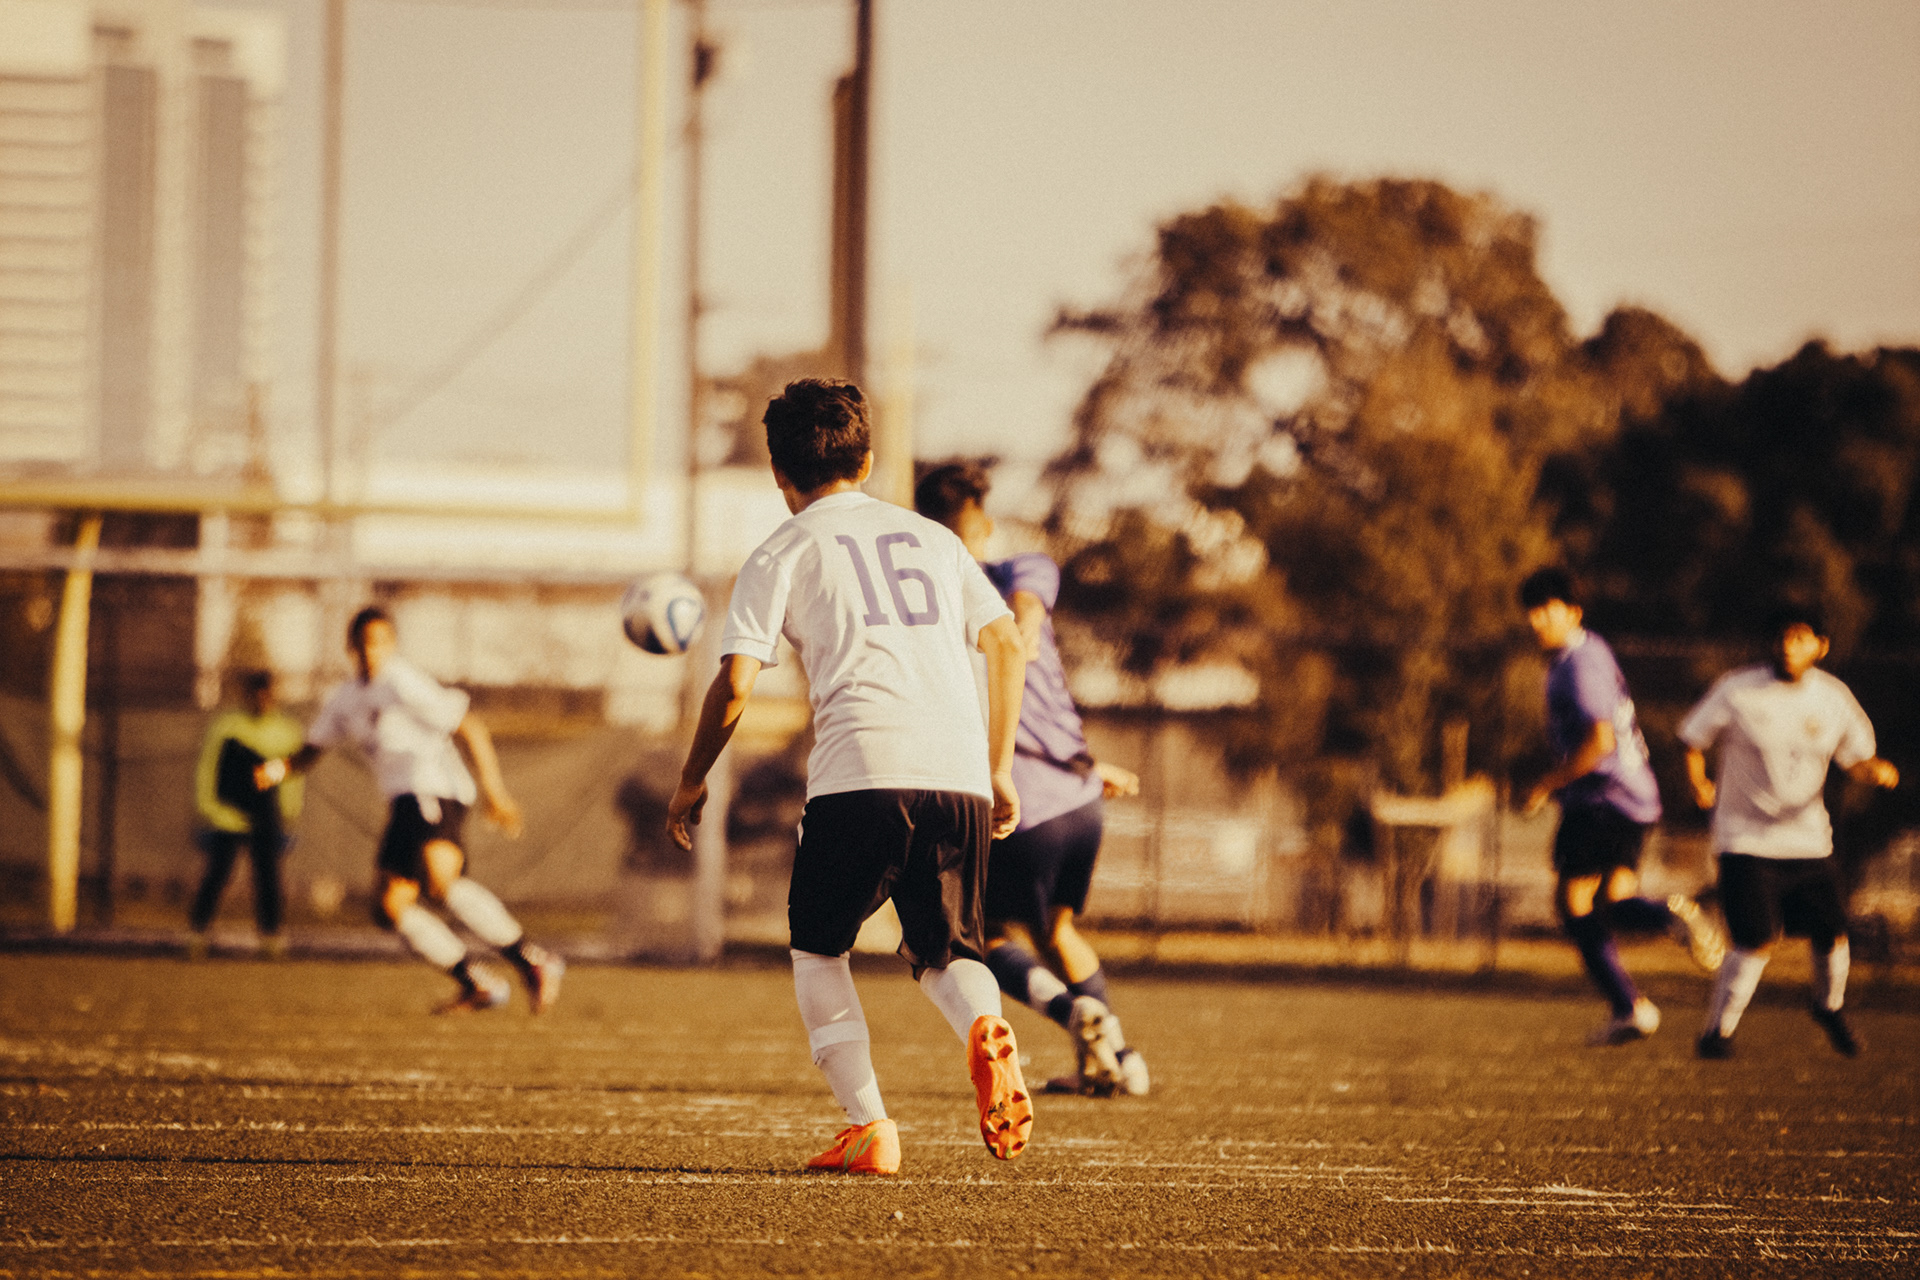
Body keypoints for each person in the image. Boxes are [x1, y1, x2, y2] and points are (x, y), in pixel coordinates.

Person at [667, 379, 1033, 1177]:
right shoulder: (936, 541)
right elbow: (1007, 643)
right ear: (867, 462)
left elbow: (736, 683)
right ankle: (985, 1025)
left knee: (818, 949)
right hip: (960, 776)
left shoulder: (780, 551)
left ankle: (870, 1127)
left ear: (778, 472)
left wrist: (692, 779)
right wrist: (999, 766)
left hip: (861, 772)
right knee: (948, 949)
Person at [914, 461, 1148, 1097]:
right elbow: (1028, 611)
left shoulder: (933, 608)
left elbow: (1019, 629)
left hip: (1015, 802)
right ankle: (1119, 1060)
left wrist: (1018, 635)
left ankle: (1074, 1013)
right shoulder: (1027, 565)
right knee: (1057, 932)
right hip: (1079, 795)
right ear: (985, 522)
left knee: (977, 934)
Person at [260, 606, 564, 1014]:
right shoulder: (346, 698)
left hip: (434, 790)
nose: (371, 651)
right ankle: (477, 982)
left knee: (441, 881)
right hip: (403, 802)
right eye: (363, 643)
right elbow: (311, 750)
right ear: (350, 647)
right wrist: (276, 769)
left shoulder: (402, 682)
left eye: (379, 642)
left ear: (392, 645)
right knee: (390, 907)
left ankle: (533, 960)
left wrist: (495, 793)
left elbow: (469, 726)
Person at [1680, 605, 1899, 1059]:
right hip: (1744, 839)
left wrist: (1874, 770)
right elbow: (1692, 739)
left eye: (1800, 637)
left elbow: (1856, 757)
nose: (1788, 646)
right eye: (1781, 636)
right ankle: (1717, 1033)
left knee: (1832, 933)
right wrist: (1698, 782)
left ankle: (1829, 1007)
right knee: (1755, 939)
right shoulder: (1738, 690)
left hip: (1808, 841)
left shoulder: (1833, 697)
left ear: (1821, 646)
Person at [1519, 568, 1724, 1045]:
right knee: (1612, 904)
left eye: (1546, 609)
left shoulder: (1578, 663)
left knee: (1573, 903)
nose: (1535, 620)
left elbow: (1600, 741)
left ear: (1573, 613)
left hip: (1602, 799)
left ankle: (1630, 1001)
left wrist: (1546, 784)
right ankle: (1663, 931)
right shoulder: (1590, 651)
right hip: (1634, 798)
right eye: (1530, 610)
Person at [188, 670, 304, 959]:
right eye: (256, 693)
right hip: (228, 816)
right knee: (218, 875)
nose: (262, 699)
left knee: (268, 879)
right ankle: (197, 934)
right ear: (247, 695)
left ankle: (270, 938)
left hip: (266, 818)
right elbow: (208, 768)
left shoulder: (286, 731)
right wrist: (209, 807)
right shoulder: (227, 727)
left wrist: (288, 810)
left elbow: (292, 774)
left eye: (267, 693)